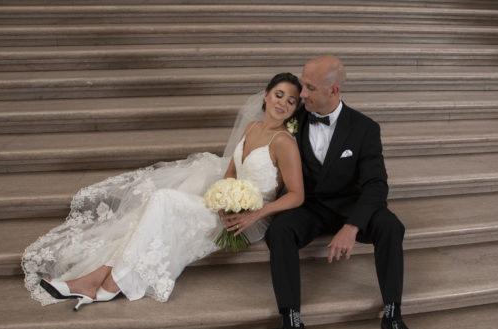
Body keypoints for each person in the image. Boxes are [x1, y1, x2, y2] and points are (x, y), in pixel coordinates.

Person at [22, 73, 304, 310]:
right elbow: (231, 171)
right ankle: (102, 281)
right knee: (158, 212)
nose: (283, 103)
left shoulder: (284, 143)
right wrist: (222, 200)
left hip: (252, 221)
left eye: (291, 101)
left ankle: (102, 282)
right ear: (266, 95)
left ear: (294, 109)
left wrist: (253, 216)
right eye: (279, 95)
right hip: (228, 211)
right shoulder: (252, 127)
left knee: (163, 200)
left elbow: (296, 195)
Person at [253, 55, 422, 329]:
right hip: (309, 207)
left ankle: (393, 315)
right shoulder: (294, 116)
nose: (301, 94)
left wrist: (353, 225)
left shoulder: (365, 128)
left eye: (309, 88)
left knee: (390, 226)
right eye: (302, 85)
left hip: (351, 206)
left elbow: (376, 184)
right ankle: (291, 326)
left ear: (333, 90)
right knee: (279, 232)